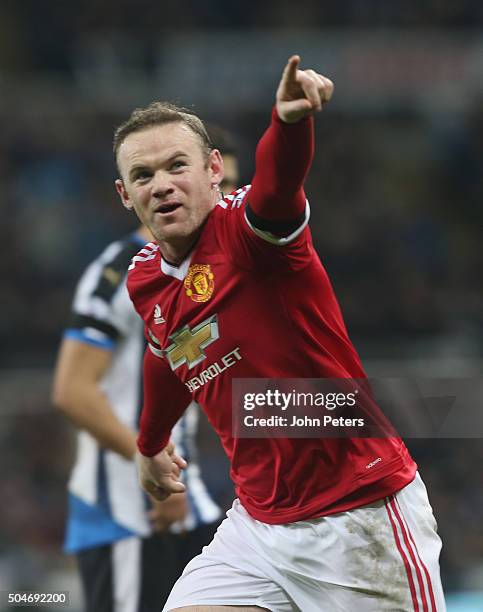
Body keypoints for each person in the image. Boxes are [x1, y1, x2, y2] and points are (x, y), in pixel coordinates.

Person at [114, 56, 446, 611]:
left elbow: (277, 185)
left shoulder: (249, 234)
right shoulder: (145, 278)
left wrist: (290, 123)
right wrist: (150, 444)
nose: (163, 185)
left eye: (178, 166)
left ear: (214, 170)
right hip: (258, 528)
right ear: (126, 195)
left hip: (359, 518)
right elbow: (169, 356)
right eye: (143, 176)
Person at [52, 128, 239, 612]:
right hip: (128, 509)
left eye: (234, 188)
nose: (228, 200)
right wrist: (148, 459)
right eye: (147, 174)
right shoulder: (117, 272)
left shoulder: (214, 270)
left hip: (185, 497)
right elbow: (73, 391)